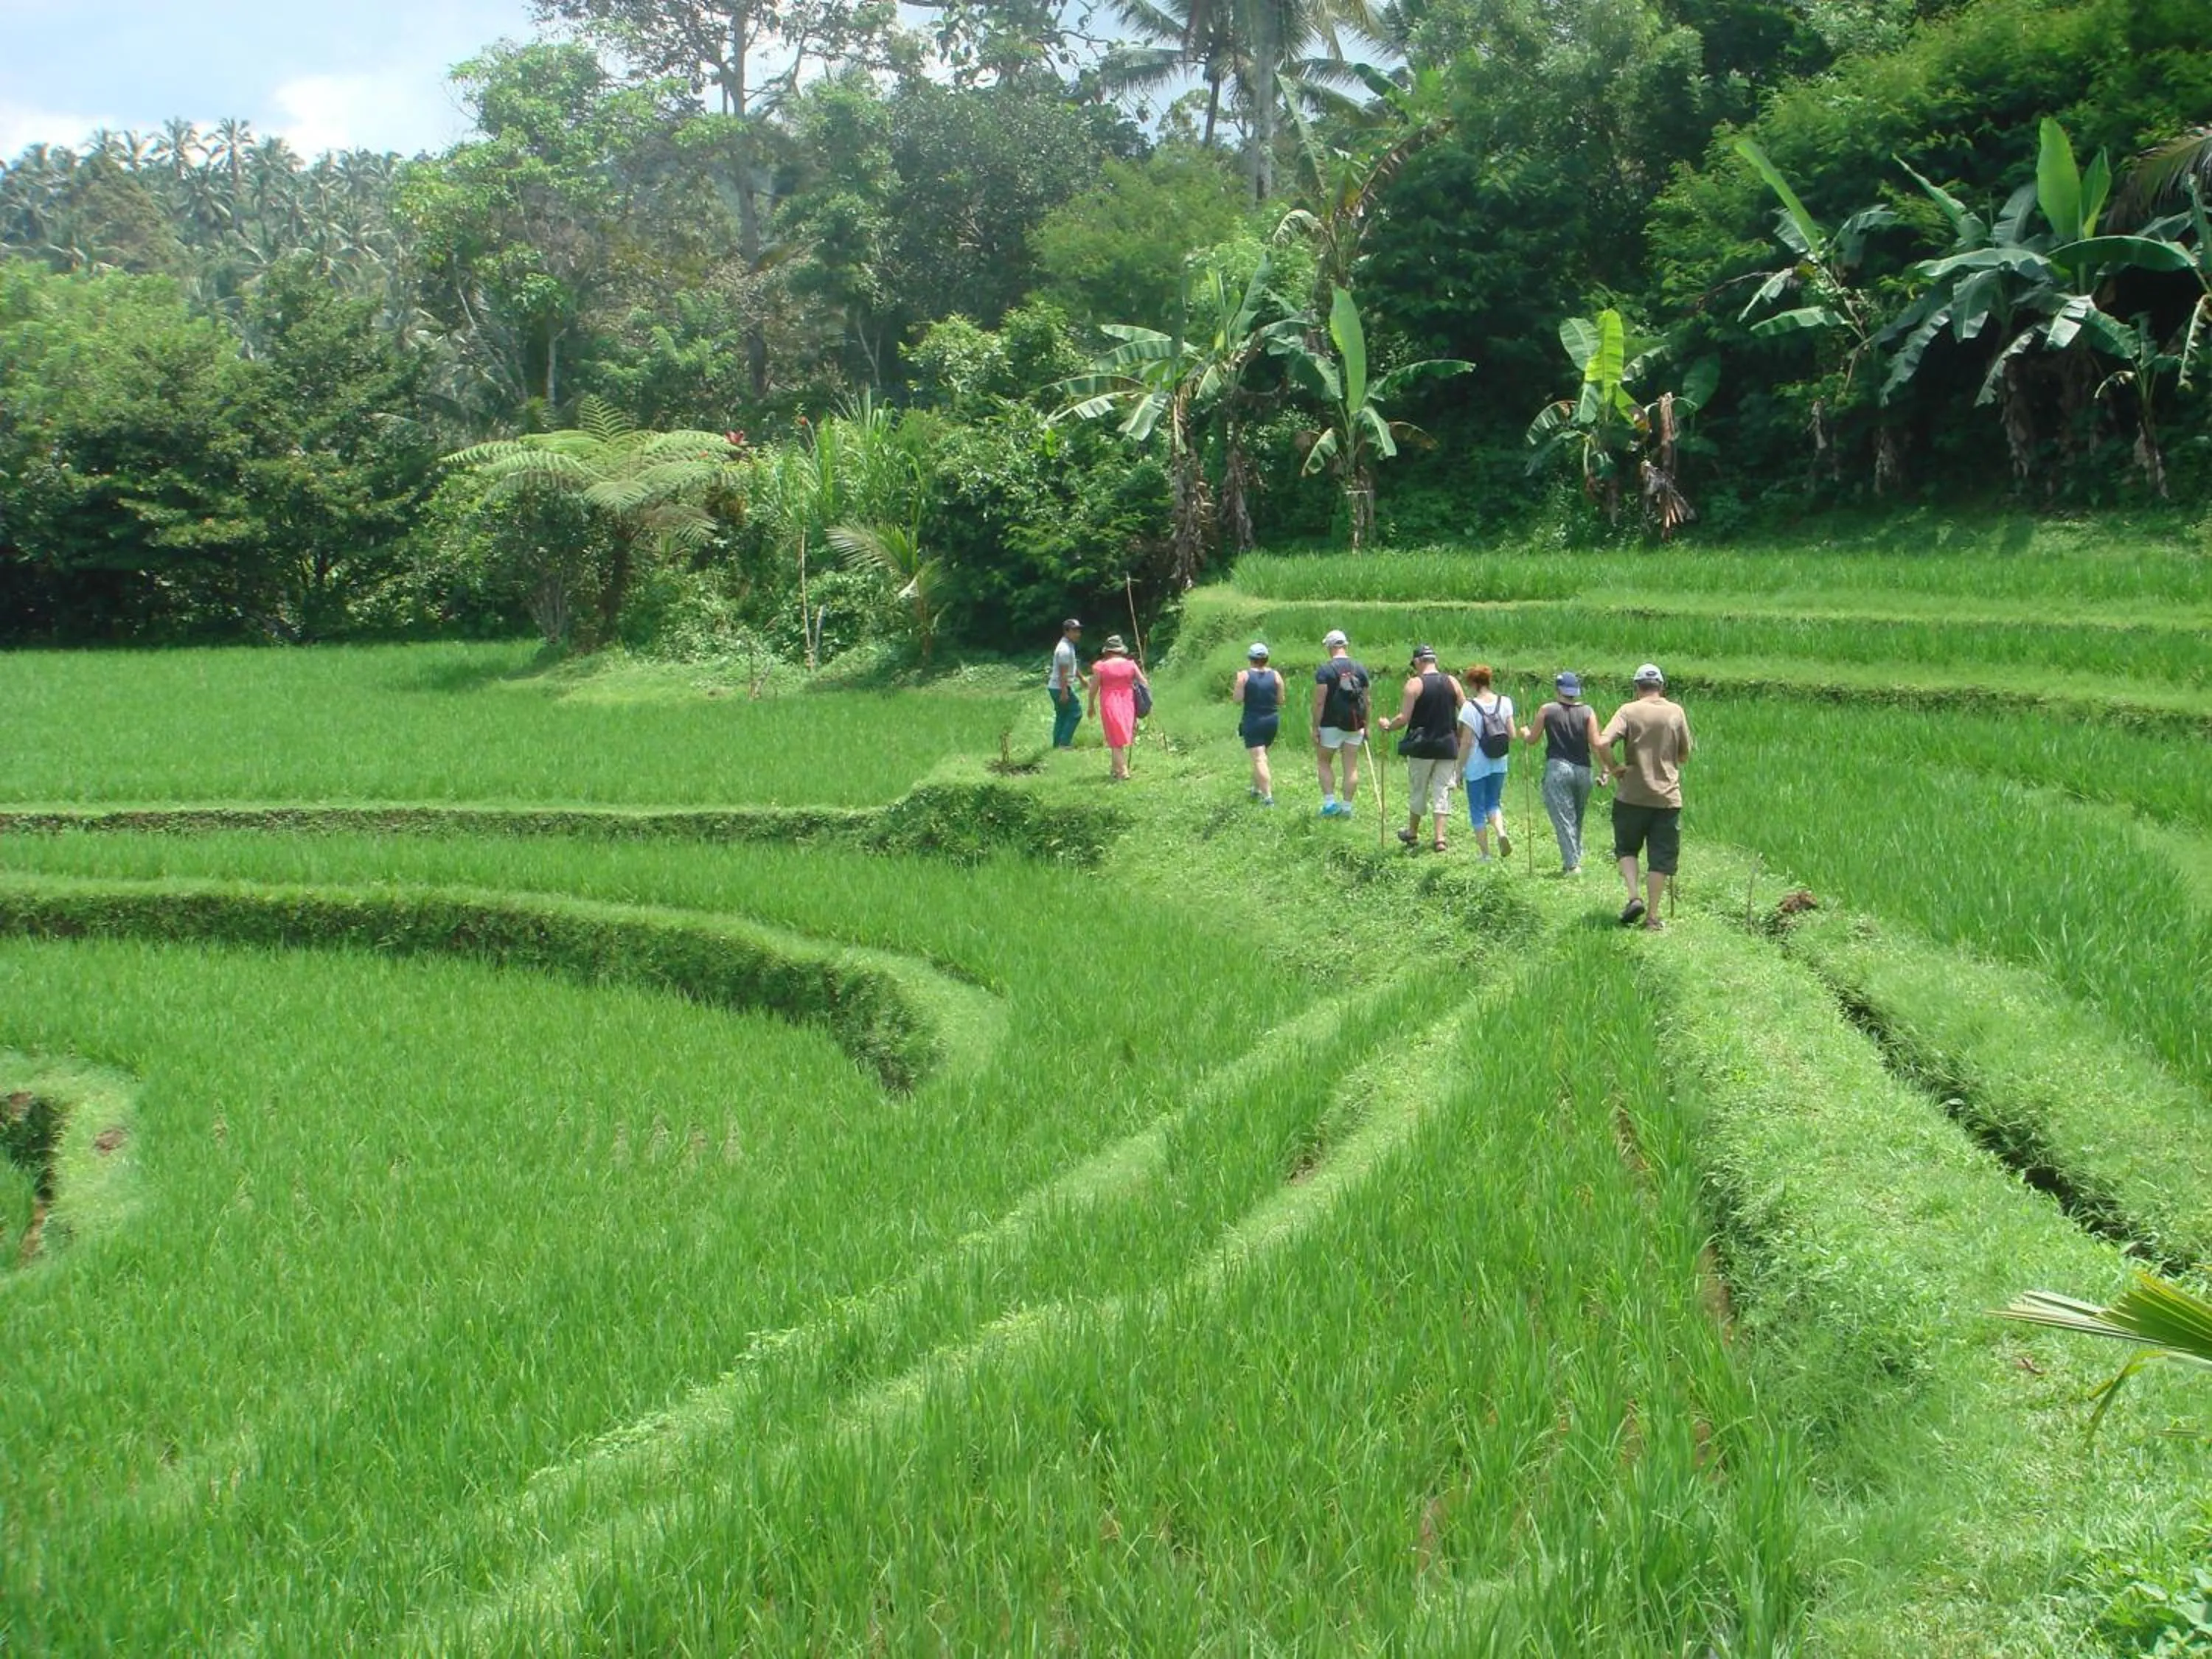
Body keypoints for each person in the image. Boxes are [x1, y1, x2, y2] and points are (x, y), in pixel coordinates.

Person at [1596, 662, 1693, 931]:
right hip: (1667, 799)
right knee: (1660, 858)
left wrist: (1614, 768)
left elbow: (1602, 741)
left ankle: (1633, 896)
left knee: (1627, 848)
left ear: (1637, 687)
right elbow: (1684, 755)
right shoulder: (1676, 712)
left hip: (1631, 796)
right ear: (1661, 687)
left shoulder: (1628, 711)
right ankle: (1652, 916)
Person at [1376, 645, 1464, 852]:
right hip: (1448, 745)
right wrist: (1459, 735)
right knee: (1443, 791)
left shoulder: (1414, 684)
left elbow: (1404, 718)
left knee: (1419, 789)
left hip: (1422, 746)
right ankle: (1440, 838)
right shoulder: (1452, 682)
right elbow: (1466, 711)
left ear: (1418, 662)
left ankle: (1413, 832)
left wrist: (1388, 725)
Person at [1522, 670, 1604, 875]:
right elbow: (1596, 743)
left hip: (1558, 768)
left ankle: (1572, 865)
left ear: (1558, 690)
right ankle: (1575, 857)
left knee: (1563, 818)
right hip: (1584, 769)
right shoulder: (1588, 712)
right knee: (1577, 816)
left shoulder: (1547, 710)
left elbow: (1532, 740)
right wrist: (1606, 769)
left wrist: (1524, 732)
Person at [1455, 664, 1514, 860]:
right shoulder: (1505, 702)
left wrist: (1458, 770)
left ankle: (1486, 855)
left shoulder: (1469, 707)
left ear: (1473, 683)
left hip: (1476, 765)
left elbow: (1466, 743)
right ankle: (1501, 832)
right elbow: (1512, 735)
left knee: (1477, 809)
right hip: (1499, 762)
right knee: (1493, 802)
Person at [1311, 628, 1371, 818]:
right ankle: (1346, 808)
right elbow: (1367, 701)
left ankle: (1329, 804)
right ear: (1345, 645)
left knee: (1324, 762)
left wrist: (1315, 727)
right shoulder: (1360, 668)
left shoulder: (1325, 670)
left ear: (1329, 647)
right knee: (1351, 766)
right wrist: (1366, 726)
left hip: (1330, 724)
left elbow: (1320, 701)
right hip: (1355, 724)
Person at [1088, 634, 1150, 782]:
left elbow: (1094, 688)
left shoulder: (1100, 667)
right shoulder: (1130, 664)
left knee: (1115, 739)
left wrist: (1091, 705)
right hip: (1128, 703)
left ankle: (1123, 772)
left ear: (1107, 651)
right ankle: (1115, 769)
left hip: (1110, 703)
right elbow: (1144, 682)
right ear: (1121, 650)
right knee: (1120, 736)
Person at [1233, 643, 1284, 805]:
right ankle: (1256, 788)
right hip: (1272, 720)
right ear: (1266, 659)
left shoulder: (1244, 676)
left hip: (1253, 720)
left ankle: (1267, 797)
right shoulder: (1276, 676)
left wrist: (1239, 682)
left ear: (1250, 659)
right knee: (1262, 755)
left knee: (1259, 758)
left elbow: (1237, 699)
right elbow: (1281, 700)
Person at [1047, 618, 1087, 749]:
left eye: (1079, 630)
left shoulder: (1069, 645)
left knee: (1062, 715)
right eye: (1074, 631)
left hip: (1056, 687)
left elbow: (1072, 665)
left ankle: (1057, 745)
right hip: (1060, 687)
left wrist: (1081, 678)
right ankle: (1064, 744)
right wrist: (1064, 692)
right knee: (1076, 712)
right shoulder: (1064, 649)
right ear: (1066, 631)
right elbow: (1063, 672)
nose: (1078, 634)